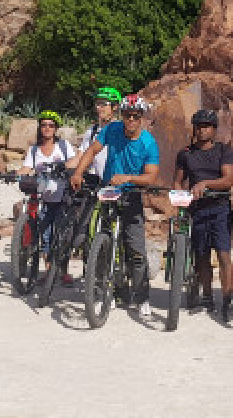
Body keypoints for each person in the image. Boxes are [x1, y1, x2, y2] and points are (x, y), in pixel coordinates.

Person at [70, 94, 160, 318]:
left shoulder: (148, 142)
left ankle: (142, 297)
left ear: (141, 118)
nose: (131, 120)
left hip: (132, 196)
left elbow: (150, 177)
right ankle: (101, 289)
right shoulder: (112, 130)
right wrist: (79, 172)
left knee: (136, 249)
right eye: (127, 116)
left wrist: (127, 178)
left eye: (135, 116)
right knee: (100, 240)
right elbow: (92, 150)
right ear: (122, 116)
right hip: (108, 192)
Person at [175, 109, 233, 321]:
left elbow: (229, 180)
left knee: (223, 255)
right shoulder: (186, 153)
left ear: (214, 129)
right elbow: (178, 181)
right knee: (201, 255)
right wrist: (179, 200)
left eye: (207, 126)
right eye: (199, 126)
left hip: (220, 207)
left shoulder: (223, 151)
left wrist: (205, 183)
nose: (203, 130)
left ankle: (227, 300)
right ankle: (207, 297)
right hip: (196, 208)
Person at [15, 110, 78, 281]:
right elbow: (27, 167)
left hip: (62, 196)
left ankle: (63, 271)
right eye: (44, 125)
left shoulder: (63, 146)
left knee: (63, 233)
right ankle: (49, 271)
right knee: (45, 234)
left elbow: (75, 161)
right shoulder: (34, 150)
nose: (47, 128)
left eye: (51, 125)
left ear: (56, 128)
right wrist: (15, 173)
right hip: (43, 197)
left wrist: (62, 166)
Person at [78, 87, 121, 181]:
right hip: (97, 184)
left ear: (115, 106)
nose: (98, 108)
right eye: (97, 104)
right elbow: (81, 157)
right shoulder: (92, 131)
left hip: (117, 184)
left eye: (103, 104)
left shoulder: (122, 130)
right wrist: (62, 165)